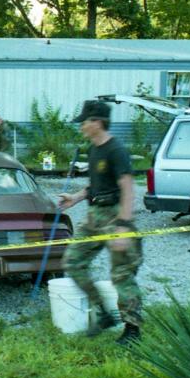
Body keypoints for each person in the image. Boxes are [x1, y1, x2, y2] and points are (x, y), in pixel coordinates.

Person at [57, 100, 143, 346]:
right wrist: (75, 198)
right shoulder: (94, 148)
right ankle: (102, 311)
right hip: (94, 214)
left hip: (116, 215)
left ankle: (133, 330)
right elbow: (95, 184)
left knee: (122, 274)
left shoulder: (116, 150)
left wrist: (124, 226)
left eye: (84, 122)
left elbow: (128, 187)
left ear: (97, 122)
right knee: (73, 261)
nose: (81, 127)